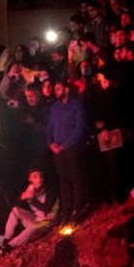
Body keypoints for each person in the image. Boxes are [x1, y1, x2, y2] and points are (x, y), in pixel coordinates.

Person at [47, 79, 89, 219]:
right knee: (63, 180)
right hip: (57, 151)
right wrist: (51, 143)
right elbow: (49, 127)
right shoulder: (54, 108)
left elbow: (79, 127)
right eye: (55, 89)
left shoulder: (76, 105)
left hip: (72, 149)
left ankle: (78, 208)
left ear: (66, 89)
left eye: (58, 89)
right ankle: (67, 210)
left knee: (75, 178)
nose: (55, 91)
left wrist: (65, 145)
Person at [0, 169, 57, 249]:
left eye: (41, 176)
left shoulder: (49, 189)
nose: (39, 179)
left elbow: (47, 208)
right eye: (35, 177)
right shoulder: (30, 189)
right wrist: (21, 198)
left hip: (47, 222)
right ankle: (6, 239)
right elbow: (15, 204)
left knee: (32, 228)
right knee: (15, 210)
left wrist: (32, 199)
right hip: (36, 220)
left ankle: (9, 246)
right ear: (30, 179)